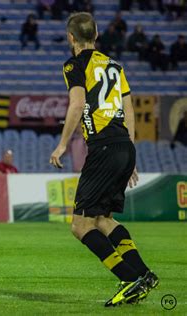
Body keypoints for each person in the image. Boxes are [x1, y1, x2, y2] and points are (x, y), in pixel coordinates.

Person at [50, 12, 158, 307]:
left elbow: (77, 103)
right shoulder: (114, 65)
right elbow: (130, 110)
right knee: (103, 219)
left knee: (80, 225)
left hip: (103, 148)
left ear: (71, 38)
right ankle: (144, 275)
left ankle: (129, 278)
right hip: (124, 145)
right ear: (96, 36)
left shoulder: (74, 64)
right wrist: (131, 155)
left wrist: (61, 145)